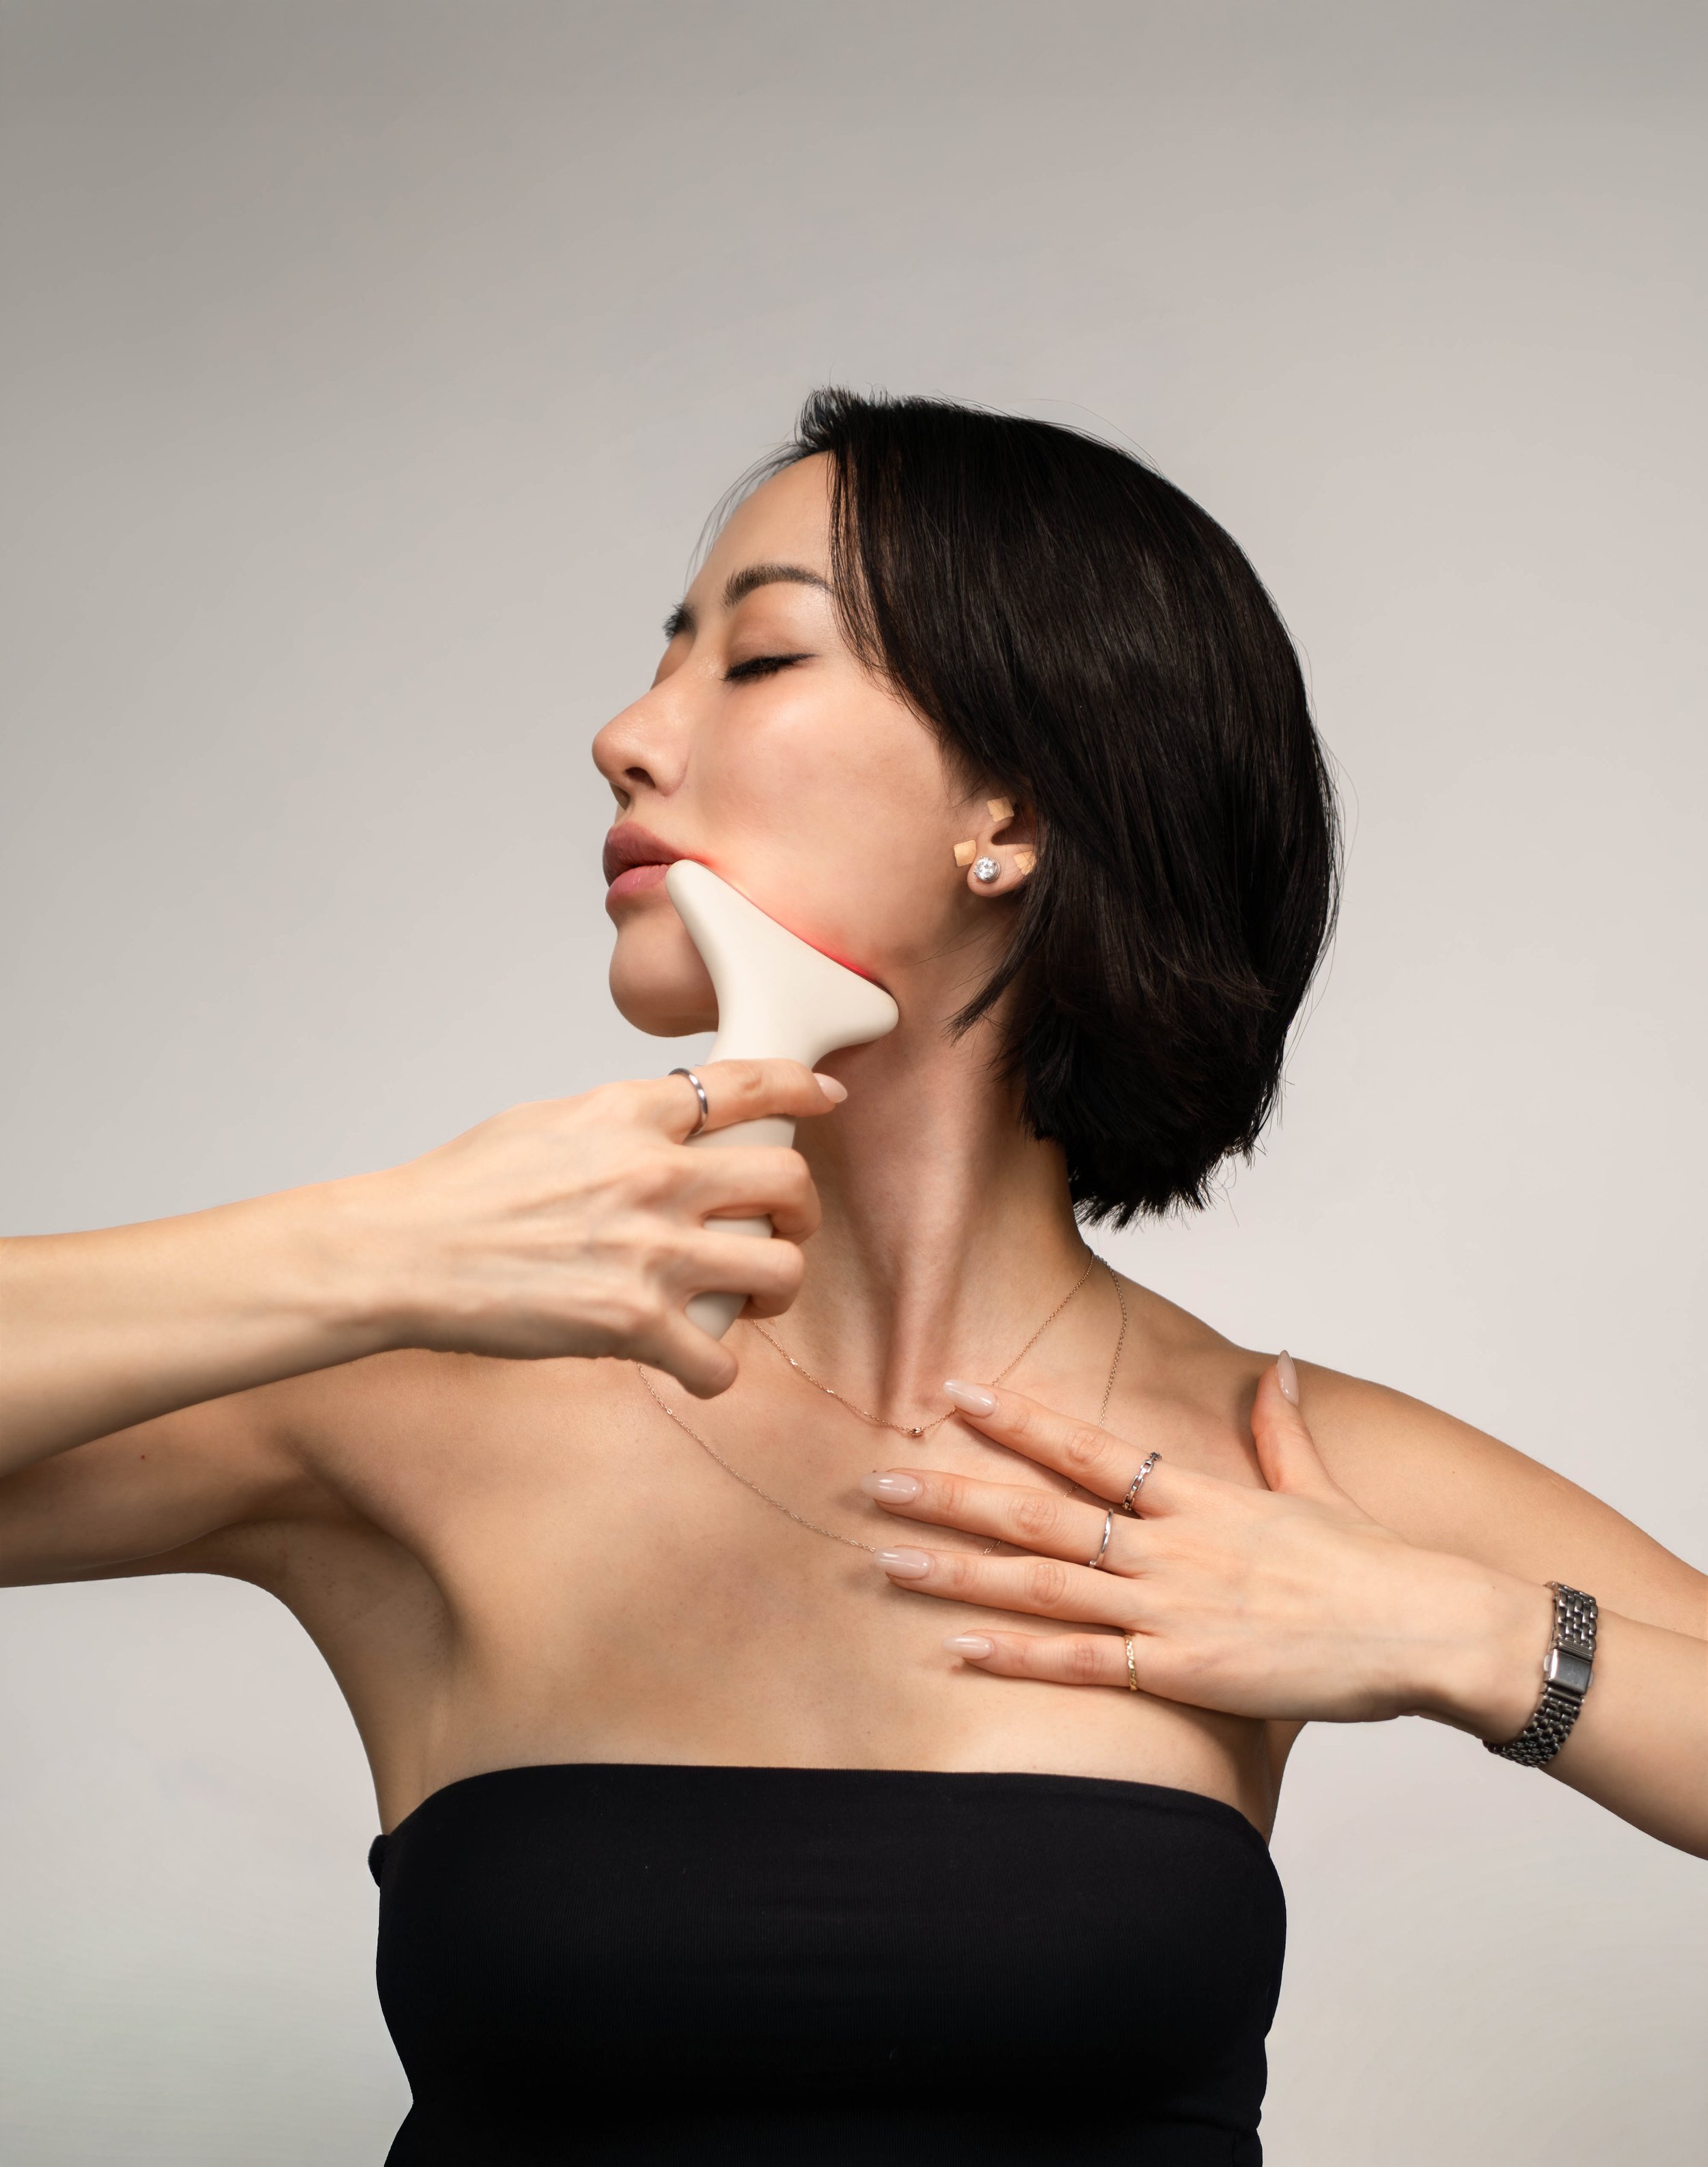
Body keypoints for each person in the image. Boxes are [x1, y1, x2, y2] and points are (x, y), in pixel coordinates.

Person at [3, 390, 1703, 2166]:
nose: (622, 735)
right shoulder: (410, 1420)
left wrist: (1468, 1635)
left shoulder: (1263, 1469)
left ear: (1011, 808)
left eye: (755, 659)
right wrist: (369, 1249)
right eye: (663, 659)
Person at [0, 1060, 845, 1466]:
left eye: (745, 694)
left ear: (988, 830)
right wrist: (388, 1247)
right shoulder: (418, 1405)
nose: (619, 744)